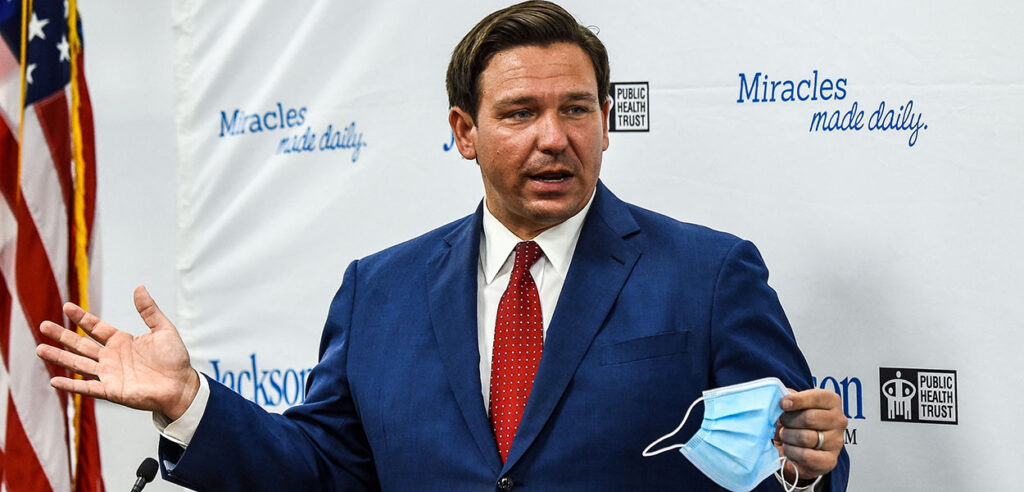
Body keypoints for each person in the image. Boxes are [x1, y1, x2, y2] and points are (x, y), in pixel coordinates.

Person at [37, 1, 849, 490]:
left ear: (607, 120)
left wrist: (806, 465)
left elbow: (801, 455)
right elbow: (326, 470)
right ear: (464, 131)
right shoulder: (379, 291)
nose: (554, 138)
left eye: (576, 109)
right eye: (520, 113)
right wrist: (191, 402)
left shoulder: (710, 275)